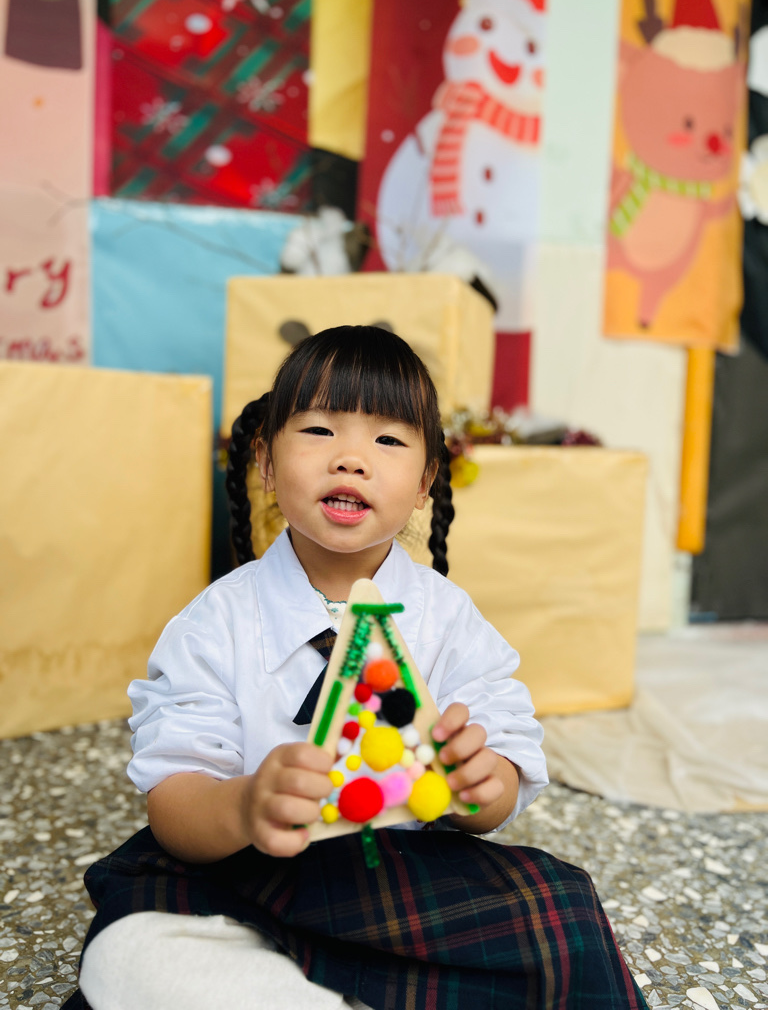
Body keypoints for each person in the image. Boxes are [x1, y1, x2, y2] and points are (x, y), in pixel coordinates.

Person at [63, 326, 648, 1010]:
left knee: (565, 918)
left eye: (389, 440)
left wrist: (479, 784)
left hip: (407, 882)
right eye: (318, 430)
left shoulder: (447, 619)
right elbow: (175, 802)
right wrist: (246, 805)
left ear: (426, 481)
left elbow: (502, 766)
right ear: (265, 460)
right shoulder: (214, 623)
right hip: (246, 874)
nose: (350, 458)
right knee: (126, 952)